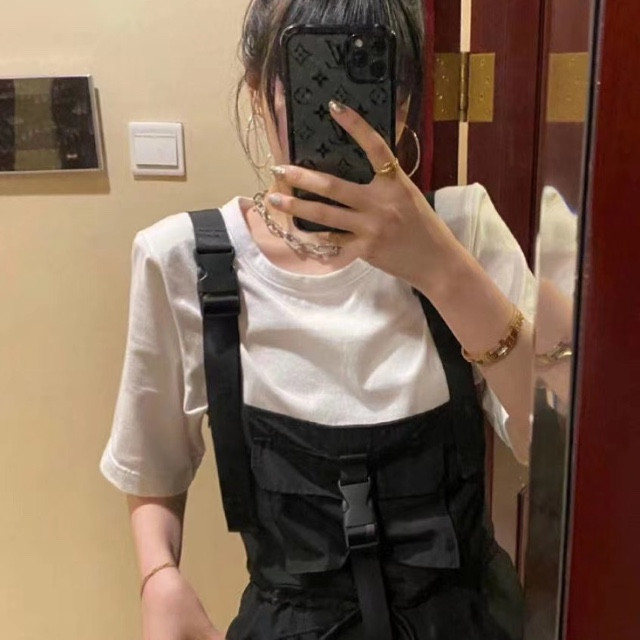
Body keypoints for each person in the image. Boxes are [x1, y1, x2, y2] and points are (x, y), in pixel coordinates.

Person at [100, 1, 536, 639]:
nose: (340, 110)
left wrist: (443, 271)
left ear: (405, 102)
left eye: (371, 78)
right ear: (259, 91)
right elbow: (151, 464)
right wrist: (158, 577)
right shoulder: (180, 259)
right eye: (311, 76)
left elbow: (555, 445)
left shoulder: (464, 230)